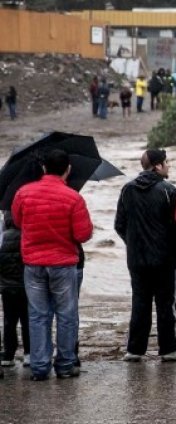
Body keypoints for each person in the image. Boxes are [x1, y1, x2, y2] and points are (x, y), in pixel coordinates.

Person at [12, 149, 93, 380]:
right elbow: (83, 234)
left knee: (38, 315)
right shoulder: (73, 198)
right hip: (63, 264)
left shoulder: (23, 193)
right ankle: (65, 365)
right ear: (68, 170)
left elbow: (18, 221)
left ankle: (39, 367)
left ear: (44, 168)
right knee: (66, 314)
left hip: (33, 263)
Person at [115, 149, 176, 363]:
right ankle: (168, 349)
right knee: (166, 304)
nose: (169, 165)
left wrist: (134, 244)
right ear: (157, 166)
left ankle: (135, 350)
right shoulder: (168, 191)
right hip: (164, 260)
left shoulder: (127, 189)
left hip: (137, 260)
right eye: (166, 162)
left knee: (140, 302)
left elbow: (119, 224)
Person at [0, 212, 30, 369]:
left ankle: (8, 354)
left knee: (9, 322)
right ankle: (28, 354)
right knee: (27, 320)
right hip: (25, 287)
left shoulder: (3, 237)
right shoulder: (27, 236)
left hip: (7, 287)